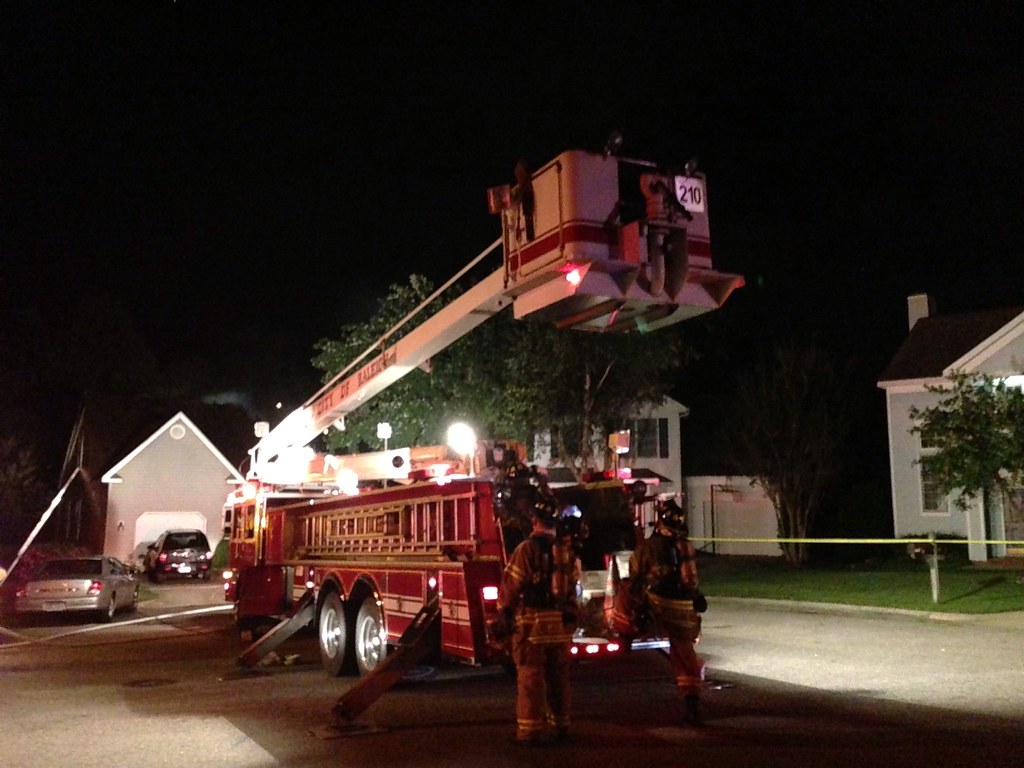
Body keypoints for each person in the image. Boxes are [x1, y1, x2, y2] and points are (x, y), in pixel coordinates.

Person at [497, 489, 580, 745]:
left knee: (531, 678)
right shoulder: (567, 551)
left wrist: (503, 613)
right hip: (560, 626)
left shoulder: (526, 549)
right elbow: (575, 588)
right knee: (558, 678)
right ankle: (562, 727)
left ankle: (530, 732)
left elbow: (511, 586)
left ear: (535, 519)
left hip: (532, 627)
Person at [627, 498, 707, 725]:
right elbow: (691, 579)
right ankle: (692, 699)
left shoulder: (648, 548)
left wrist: (638, 608)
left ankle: (637, 625)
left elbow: (635, 578)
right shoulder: (686, 545)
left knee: (624, 596)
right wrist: (697, 597)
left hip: (659, 604)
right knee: (685, 652)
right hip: (684, 607)